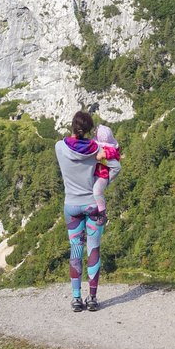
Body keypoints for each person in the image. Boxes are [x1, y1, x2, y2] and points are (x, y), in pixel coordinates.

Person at [55, 110, 121, 312]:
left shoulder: (59, 147)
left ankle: (76, 299)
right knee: (93, 250)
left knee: (75, 249)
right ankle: (92, 298)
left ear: (72, 127)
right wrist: (101, 185)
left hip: (72, 205)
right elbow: (116, 166)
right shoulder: (96, 149)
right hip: (93, 205)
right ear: (90, 130)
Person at [92, 123, 120, 220]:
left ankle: (102, 212)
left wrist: (103, 155)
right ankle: (94, 211)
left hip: (102, 175)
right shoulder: (104, 145)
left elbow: (113, 153)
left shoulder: (109, 149)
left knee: (96, 192)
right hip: (94, 174)